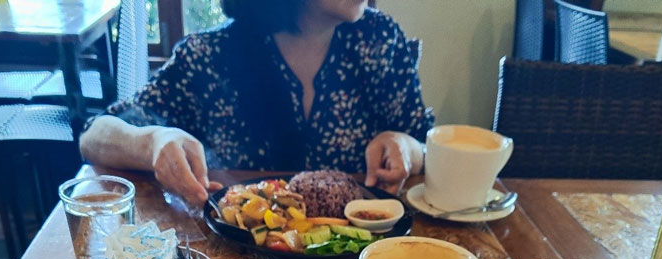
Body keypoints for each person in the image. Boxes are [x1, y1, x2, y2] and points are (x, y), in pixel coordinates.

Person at [79, 0, 434, 205]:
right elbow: (94, 136)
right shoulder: (211, 56)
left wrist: (406, 147)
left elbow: (427, 147)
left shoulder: (379, 39)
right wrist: (153, 141)